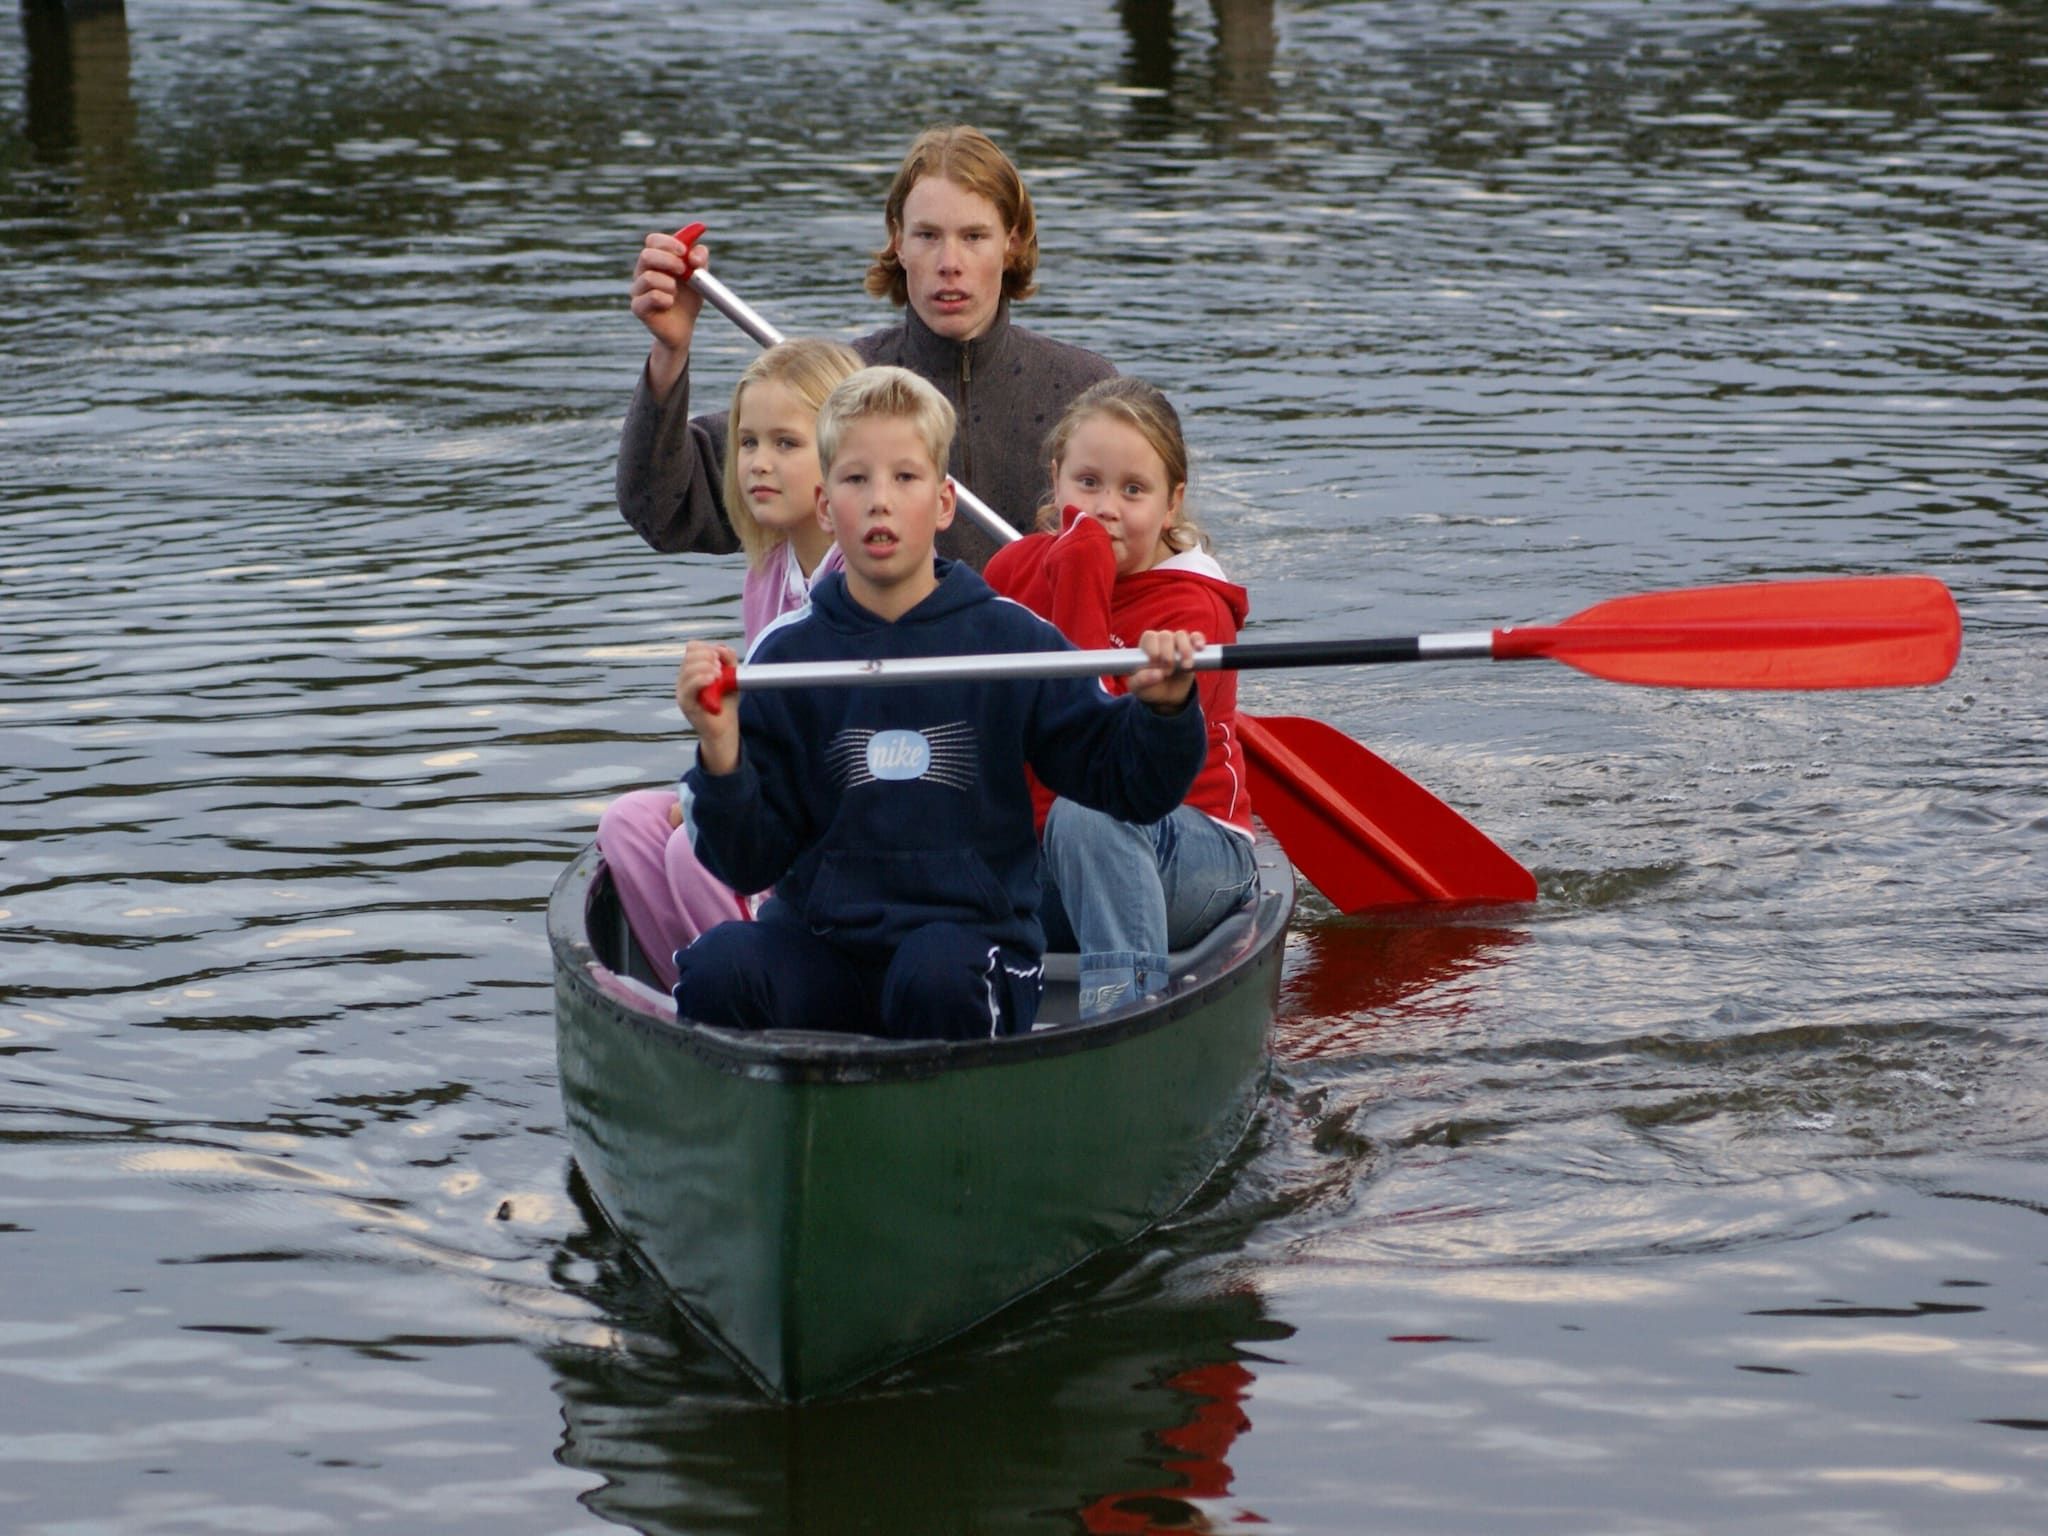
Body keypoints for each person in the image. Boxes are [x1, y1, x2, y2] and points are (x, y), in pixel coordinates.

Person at [669, 366, 1208, 1041]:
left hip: (967, 953)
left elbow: (1128, 785)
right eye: (857, 479)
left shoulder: (1010, 640)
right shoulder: (784, 656)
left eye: (906, 478)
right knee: (717, 969)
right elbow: (748, 861)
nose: (881, 502)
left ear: (945, 503)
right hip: (825, 946)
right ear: (826, 506)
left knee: (936, 977)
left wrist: (1161, 712)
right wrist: (721, 756)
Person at [617, 123, 1114, 571]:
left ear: (1013, 241)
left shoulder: (1086, 392)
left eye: (974, 236)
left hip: (1041, 666)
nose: (949, 262)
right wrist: (670, 353)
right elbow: (662, 509)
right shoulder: (831, 389)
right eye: (927, 235)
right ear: (898, 241)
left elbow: (1155, 552)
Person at [984, 378, 1258, 1018]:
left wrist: (1080, 573)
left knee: (1090, 816)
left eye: (1133, 490)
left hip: (1190, 854)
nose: (1106, 507)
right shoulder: (1011, 570)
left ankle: (1120, 1016)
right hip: (1042, 852)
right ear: (1055, 480)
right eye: (1087, 483)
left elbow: (1091, 757)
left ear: (1171, 504)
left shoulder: (1192, 609)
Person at [596, 337, 863, 989]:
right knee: (626, 824)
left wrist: (716, 803)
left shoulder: (866, 579)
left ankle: (774, 996)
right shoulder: (769, 573)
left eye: (785, 444)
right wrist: (706, 789)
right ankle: (701, 998)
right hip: (775, 807)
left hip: (843, 835)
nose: (758, 464)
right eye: (747, 442)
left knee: (696, 853)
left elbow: (831, 746)